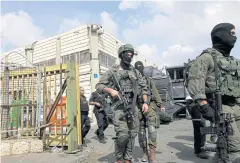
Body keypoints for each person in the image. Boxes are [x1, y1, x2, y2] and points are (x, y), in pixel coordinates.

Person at [186, 23, 240, 162]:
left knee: (225, 151)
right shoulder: (207, 58)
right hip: (221, 108)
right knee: (234, 150)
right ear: (221, 35)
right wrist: (205, 106)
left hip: (237, 106)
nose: (235, 37)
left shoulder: (233, 61)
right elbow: (195, 82)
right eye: (232, 33)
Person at [96, 44, 149, 163]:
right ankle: (119, 158)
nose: (129, 57)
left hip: (133, 106)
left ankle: (128, 159)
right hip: (118, 108)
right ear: (121, 55)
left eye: (131, 55)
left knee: (132, 135)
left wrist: (145, 102)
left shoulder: (135, 71)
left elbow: (144, 87)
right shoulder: (113, 71)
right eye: (127, 54)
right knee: (123, 135)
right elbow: (99, 86)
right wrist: (110, 90)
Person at [135, 61, 165, 163]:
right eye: (137, 68)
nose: (139, 70)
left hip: (150, 106)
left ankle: (152, 154)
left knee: (152, 130)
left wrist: (160, 104)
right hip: (137, 108)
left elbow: (155, 92)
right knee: (141, 132)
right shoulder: (133, 80)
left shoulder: (148, 80)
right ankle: (144, 153)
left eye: (140, 68)